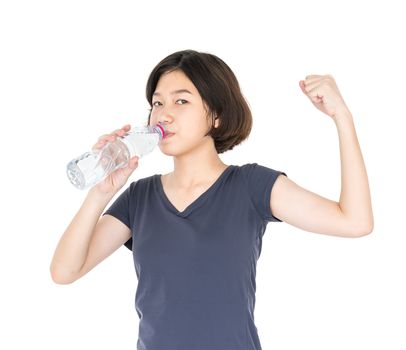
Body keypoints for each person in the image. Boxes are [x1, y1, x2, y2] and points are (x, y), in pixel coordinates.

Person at [50, 49, 374, 350]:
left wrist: (342, 117)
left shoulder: (251, 185)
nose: (163, 115)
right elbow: (65, 271)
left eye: (181, 102)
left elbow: (355, 221)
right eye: (157, 103)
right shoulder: (140, 198)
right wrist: (101, 192)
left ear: (216, 116)